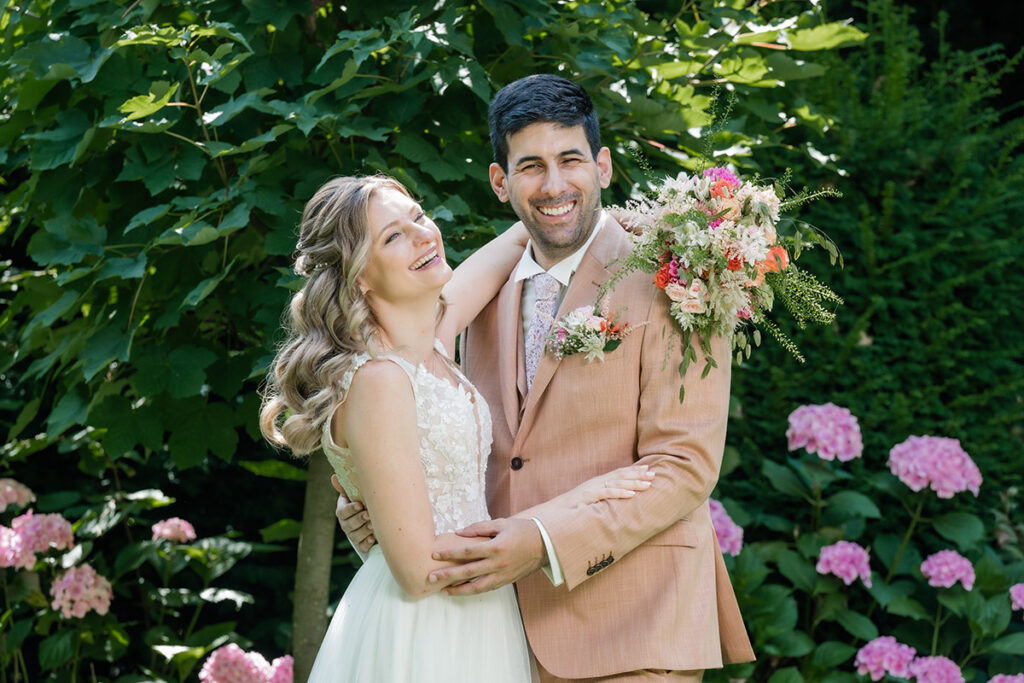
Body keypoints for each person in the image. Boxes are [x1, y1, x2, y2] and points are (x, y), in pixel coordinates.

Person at [338, 75, 756, 681]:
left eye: (571, 160)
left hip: (635, 625)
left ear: (603, 166)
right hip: (492, 632)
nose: (555, 185)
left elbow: (684, 465)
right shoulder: (465, 300)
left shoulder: (681, 278)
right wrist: (379, 502)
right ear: (499, 181)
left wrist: (540, 539)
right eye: (531, 166)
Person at [259, 174, 656, 682]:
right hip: (424, 630)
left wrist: (660, 225)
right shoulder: (379, 379)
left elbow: (525, 232)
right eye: (393, 236)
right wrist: (581, 501)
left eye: (418, 216)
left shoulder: (434, 348)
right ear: (359, 275)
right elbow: (421, 569)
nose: (424, 235)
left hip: (483, 618)